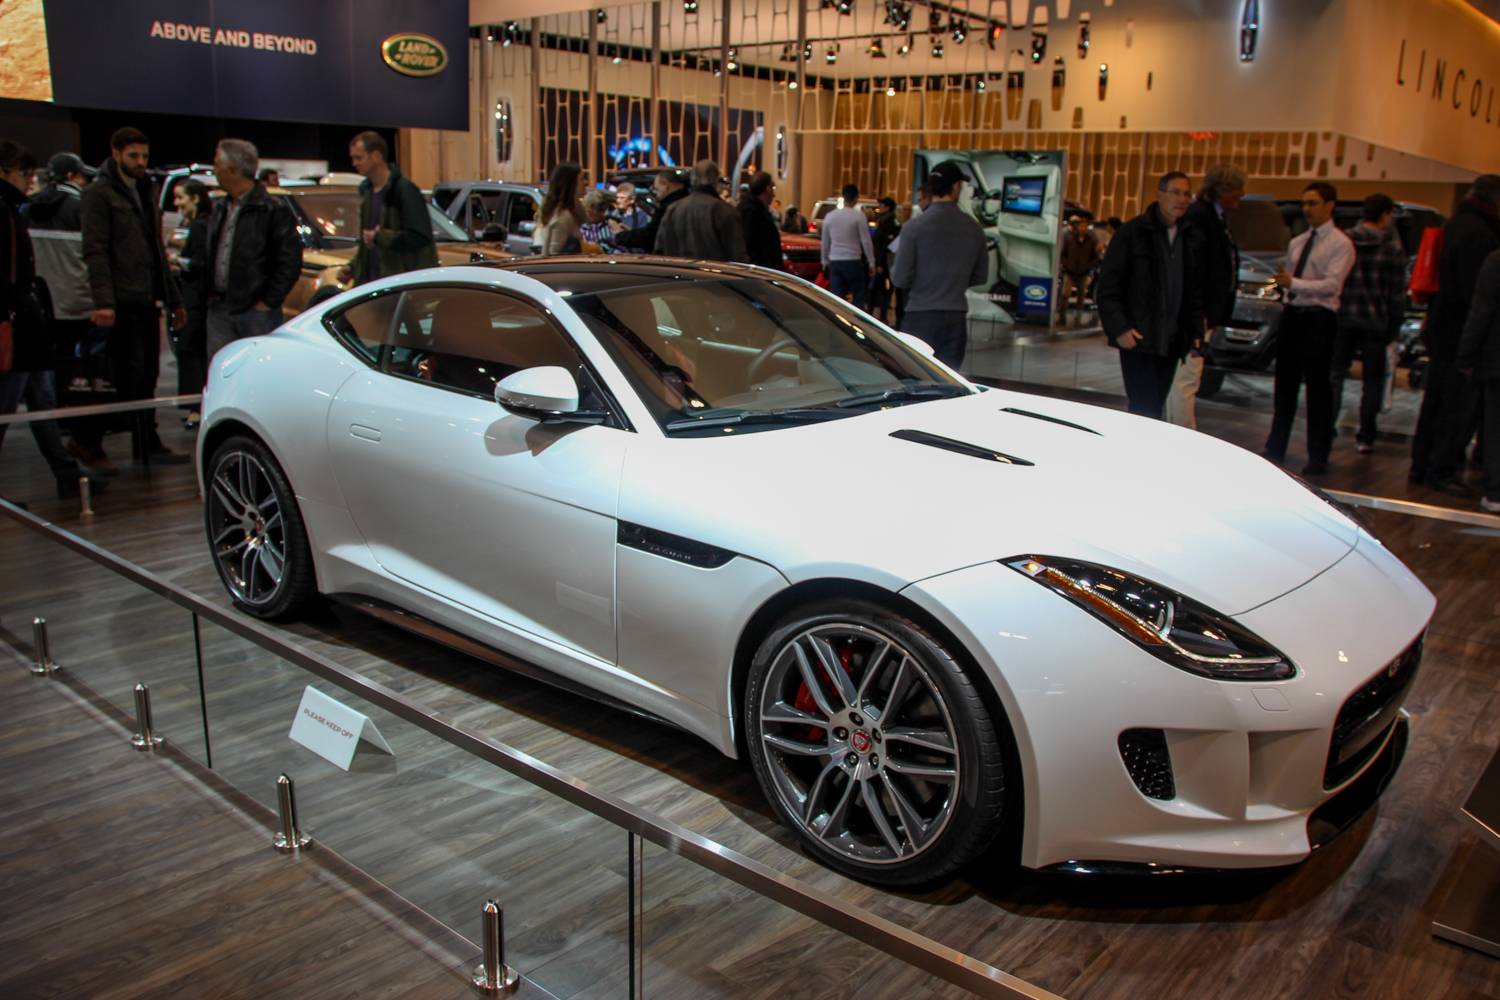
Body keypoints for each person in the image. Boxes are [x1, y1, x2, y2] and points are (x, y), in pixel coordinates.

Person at [80, 126, 187, 463]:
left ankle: (146, 442)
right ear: (116, 154)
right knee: (118, 375)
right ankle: (89, 441)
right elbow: (95, 250)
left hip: (145, 296)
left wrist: (173, 299)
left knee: (147, 375)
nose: (140, 162)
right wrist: (104, 302)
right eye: (133, 156)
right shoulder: (99, 193)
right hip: (120, 299)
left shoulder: (145, 189)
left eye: (144, 156)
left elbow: (156, 249)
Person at [0, 140, 98, 499]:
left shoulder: (17, 209)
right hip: (17, 326)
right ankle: (66, 472)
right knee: (9, 408)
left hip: (27, 323)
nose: (30, 180)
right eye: (23, 173)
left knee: (40, 401)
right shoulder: (6, 211)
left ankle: (66, 472)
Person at [1410, 174, 1500, 494]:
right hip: (1459, 334)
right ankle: (1441, 469)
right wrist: (1471, 348)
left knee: (1435, 402)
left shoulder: (1455, 225)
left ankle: (1423, 466)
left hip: (1442, 328)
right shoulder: (1482, 235)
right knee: (1454, 406)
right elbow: (1476, 299)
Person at [1260, 182, 1356, 474]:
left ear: (1330, 205)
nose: (1306, 209)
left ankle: (1318, 455)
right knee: (1284, 386)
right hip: (1294, 314)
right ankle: (1275, 447)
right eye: (1304, 203)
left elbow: (1332, 285)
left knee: (1318, 390)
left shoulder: (1340, 244)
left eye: (1313, 203)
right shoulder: (1298, 242)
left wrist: (1295, 283)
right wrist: (1288, 288)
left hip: (1319, 318)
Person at [1095, 171, 1205, 420]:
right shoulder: (1133, 233)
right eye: (1175, 192)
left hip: (1173, 339)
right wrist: (1120, 328)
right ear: (1160, 194)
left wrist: (1195, 332)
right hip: (1139, 338)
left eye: (1186, 194)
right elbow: (1108, 286)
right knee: (1143, 408)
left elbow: (1194, 291)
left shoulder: (1191, 238)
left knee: (1156, 405)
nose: (1182, 199)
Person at [202, 139, 301, 361]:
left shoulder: (272, 209)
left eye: (217, 164)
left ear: (232, 169)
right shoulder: (219, 208)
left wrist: (267, 302)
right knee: (221, 369)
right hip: (219, 308)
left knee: (256, 369)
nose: (214, 170)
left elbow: (290, 261)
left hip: (256, 313)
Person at [890, 160, 987, 370]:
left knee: (915, 376)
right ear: (956, 187)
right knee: (949, 379)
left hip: (919, 315)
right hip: (955, 317)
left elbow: (900, 278)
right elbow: (980, 276)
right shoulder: (974, 228)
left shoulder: (914, 227)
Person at [1170, 163, 1246, 428]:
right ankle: (1181, 436)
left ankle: (1178, 432)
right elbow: (1195, 271)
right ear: (1221, 189)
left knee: (1185, 378)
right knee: (1186, 378)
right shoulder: (1201, 217)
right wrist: (1198, 314)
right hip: (1195, 317)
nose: (1241, 194)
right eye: (1236, 188)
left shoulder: (1214, 218)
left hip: (1201, 315)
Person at [1332, 194, 1406, 454]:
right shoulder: (1392, 248)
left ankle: (1326, 426)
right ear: (1385, 214)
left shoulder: (1344, 240)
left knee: (1336, 374)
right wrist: (1394, 327)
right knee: (1373, 381)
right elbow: (1397, 294)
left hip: (1342, 316)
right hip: (1375, 320)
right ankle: (1365, 436)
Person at [339, 131, 436, 285]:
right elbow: (367, 244)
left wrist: (380, 237)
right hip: (372, 285)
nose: (354, 163)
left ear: (376, 156)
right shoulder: (367, 193)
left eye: (359, 158)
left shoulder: (404, 190)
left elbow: (419, 236)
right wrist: (353, 267)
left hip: (399, 284)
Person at [1458, 247, 1500, 513]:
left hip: (1496, 359)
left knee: (1495, 427)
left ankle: (1496, 492)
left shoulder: (1496, 261)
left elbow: (1481, 312)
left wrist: (1466, 354)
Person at [170, 179, 211, 427]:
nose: (177, 204)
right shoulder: (196, 224)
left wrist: (177, 261)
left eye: (180, 197)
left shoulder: (200, 226)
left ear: (195, 198)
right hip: (196, 298)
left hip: (197, 299)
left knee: (189, 349)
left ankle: (196, 407)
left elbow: (200, 262)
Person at [653, 159, 748, 262]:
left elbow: (660, 249)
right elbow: (737, 255)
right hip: (715, 271)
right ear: (715, 181)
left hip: (678, 270)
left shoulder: (673, 209)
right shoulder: (725, 210)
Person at [821, 183, 875, 309]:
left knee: (837, 299)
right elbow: (866, 241)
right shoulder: (859, 216)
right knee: (858, 295)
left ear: (843, 197)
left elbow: (825, 241)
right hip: (853, 260)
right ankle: (856, 319)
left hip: (835, 261)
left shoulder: (830, 216)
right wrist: (871, 261)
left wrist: (824, 261)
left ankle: (838, 319)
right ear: (856, 198)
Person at [615, 168, 688, 254]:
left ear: (665, 185)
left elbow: (652, 235)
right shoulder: (683, 200)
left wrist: (621, 235)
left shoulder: (670, 206)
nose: (656, 194)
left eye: (656, 189)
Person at [1057, 214, 1101, 327]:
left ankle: (1078, 319)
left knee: (1081, 297)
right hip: (1070, 271)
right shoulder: (1070, 238)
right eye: (1081, 226)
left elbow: (1095, 257)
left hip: (1083, 272)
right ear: (1077, 227)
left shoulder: (1091, 240)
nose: (1083, 228)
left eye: (1085, 226)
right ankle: (1062, 318)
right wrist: (1066, 264)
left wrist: (1088, 266)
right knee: (1065, 295)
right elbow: (1063, 253)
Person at [534, 162, 584, 255]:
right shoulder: (562, 217)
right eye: (581, 179)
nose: (585, 183)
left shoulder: (574, 211)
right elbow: (553, 254)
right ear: (570, 184)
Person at [737, 171, 782, 271]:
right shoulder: (752, 212)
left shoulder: (752, 209)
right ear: (767, 188)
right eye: (773, 188)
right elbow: (750, 244)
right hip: (759, 271)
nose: (774, 195)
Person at [869, 196, 899, 322]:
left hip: (884, 262)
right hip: (880, 260)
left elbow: (885, 245)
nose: (879, 208)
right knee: (877, 289)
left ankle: (882, 316)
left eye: (881, 205)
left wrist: (880, 263)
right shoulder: (883, 220)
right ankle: (876, 314)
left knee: (882, 289)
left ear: (887, 207)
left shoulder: (890, 222)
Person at [579, 188, 617, 252]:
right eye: (600, 210)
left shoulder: (610, 226)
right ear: (590, 208)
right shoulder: (579, 228)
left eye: (604, 210)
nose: (604, 214)